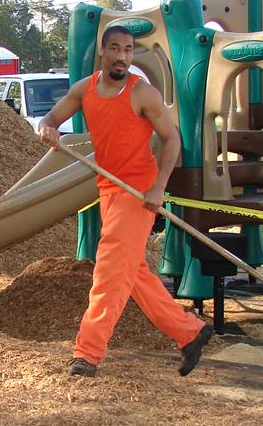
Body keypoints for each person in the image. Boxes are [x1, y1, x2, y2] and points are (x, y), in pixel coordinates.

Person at [38, 25, 212, 377]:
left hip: (137, 192)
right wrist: (47, 128)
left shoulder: (142, 93)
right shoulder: (84, 89)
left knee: (109, 272)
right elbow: (51, 117)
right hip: (109, 190)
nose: (122, 56)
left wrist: (159, 188)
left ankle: (86, 354)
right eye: (115, 48)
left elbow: (172, 139)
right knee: (133, 274)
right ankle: (189, 331)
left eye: (129, 50)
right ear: (103, 52)